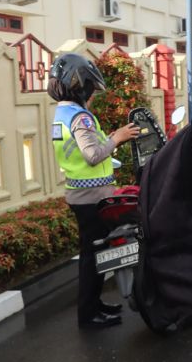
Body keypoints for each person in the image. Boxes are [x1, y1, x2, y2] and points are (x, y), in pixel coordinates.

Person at [47, 53, 141, 329]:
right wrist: (117, 137)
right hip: (92, 200)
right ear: (81, 85)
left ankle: (93, 306)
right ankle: (88, 316)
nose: (93, 95)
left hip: (81, 195)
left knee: (94, 253)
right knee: (93, 257)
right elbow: (91, 155)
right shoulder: (79, 117)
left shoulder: (62, 113)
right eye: (90, 88)